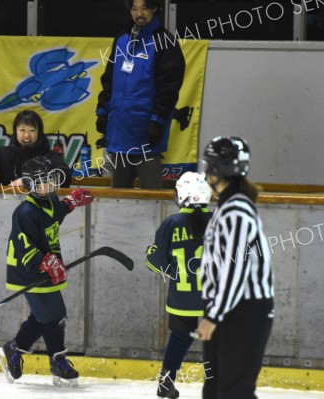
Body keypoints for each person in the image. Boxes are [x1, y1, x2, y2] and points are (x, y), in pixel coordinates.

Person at [0, 156, 93, 386]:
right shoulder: (24, 212)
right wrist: (45, 262)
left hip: (45, 266)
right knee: (55, 316)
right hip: (28, 269)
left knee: (43, 317)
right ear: (29, 185)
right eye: (43, 182)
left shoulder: (49, 202)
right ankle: (58, 361)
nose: (49, 185)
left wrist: (70, 202)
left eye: (51, 180)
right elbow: (23, 245)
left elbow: (56, 212)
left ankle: (13, 349)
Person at [195, 136, 274, 399]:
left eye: (210, 165)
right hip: (228, 306)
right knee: (215, 387)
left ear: (222, 169)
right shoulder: (226, 206)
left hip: (244, 311)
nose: (206, 171)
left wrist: (214, 316)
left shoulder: (237, 211)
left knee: (234, 391)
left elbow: (234, 270)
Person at [95, 0, 185, 189]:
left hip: (146, 135)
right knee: (118, 197)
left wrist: (157, 120)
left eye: (144, 8)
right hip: (119, 132)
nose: (139, 13)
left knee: (151, 198)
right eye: (134, 8)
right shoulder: (121, 39)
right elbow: (109, 79)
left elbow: (169, 88)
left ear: (154, 9)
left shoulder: (165, 42)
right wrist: (103, 111)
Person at [146, 171, 213, 398]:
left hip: (182, 297)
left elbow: (156, 263)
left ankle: (166, 382)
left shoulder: (172, 223)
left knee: (180, 337)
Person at [0, 109, 72, 194]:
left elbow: (64, 175)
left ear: (39, 132)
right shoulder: (3, 154)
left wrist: (28, 182)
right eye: (22, 130)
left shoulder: (48, 155)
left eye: (32, 130)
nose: (26, 135)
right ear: (15, 131)